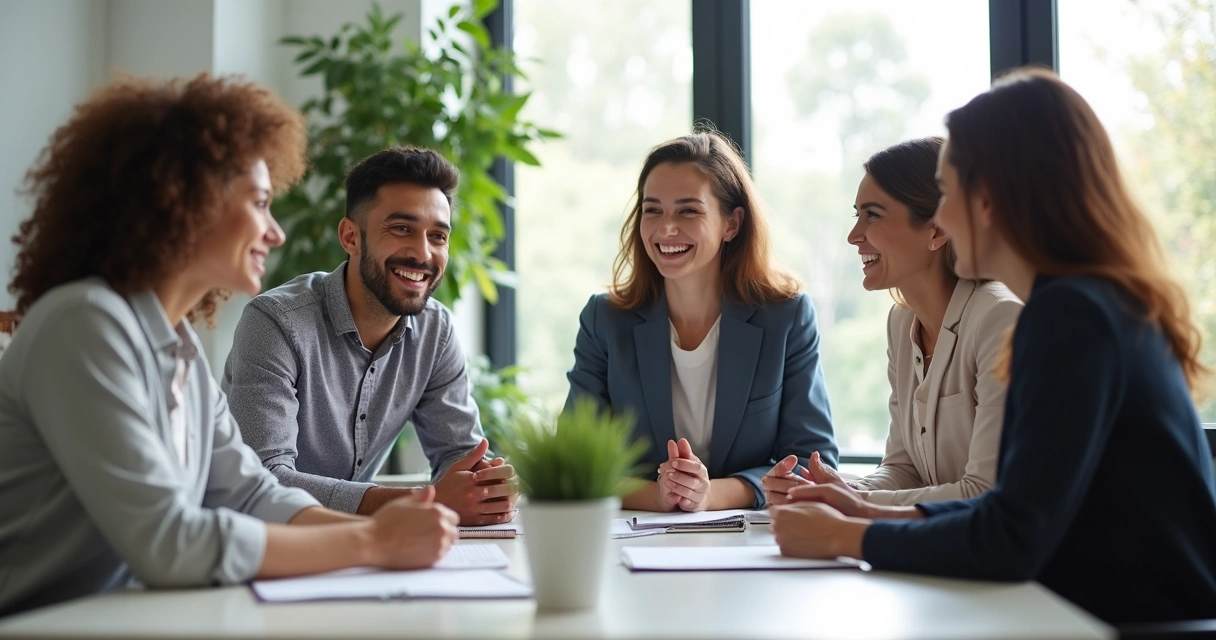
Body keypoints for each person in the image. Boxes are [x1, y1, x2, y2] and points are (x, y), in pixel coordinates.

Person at [770, 68, 1216, 625]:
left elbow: (1009, 537)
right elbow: (1011, 515)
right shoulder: (1087, 304)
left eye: (949, 192)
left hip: (1128, 625)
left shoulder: (1068, 316)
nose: (945, 218)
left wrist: (851, 536)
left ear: (991, 200)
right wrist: (857, 509)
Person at [0, 75, 458, 617]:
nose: (276, 232)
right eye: (261, 203)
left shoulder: (179, 347)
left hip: (119, 619)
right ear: (187, 202)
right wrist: (374, 543)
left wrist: (389, 532)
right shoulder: (83, 324)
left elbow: (251, 496)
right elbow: (170, 543)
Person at [222, 147, 517, 525]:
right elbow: (265, 480)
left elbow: (459, 457)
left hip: (363, 548)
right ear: (350, 236)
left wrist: (485, 489)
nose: (422, 253)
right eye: (401, 229)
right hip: (264, 545)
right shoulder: (276, 322)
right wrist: (423, 500)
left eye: (438, 236)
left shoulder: (435, 330)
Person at [566, 130, 838, 512]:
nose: (666, 229)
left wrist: (714, 493)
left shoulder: (786, 317)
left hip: (750, 549)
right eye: (653, 209)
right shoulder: (605, 319)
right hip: (636, 540)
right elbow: (573, 462)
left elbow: (814, 464)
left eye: (688, 210)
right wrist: (659, 496)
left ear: (732, 224)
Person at [762, 138, 1021, 507]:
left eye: (873, 215)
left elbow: (983, 492)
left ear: (937, 230)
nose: (854, 236)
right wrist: (837, 490)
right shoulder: (902, 323)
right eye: (857, 215)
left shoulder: (999, 318)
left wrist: (854, 503)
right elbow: (904, 468)